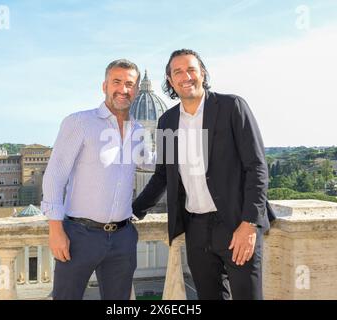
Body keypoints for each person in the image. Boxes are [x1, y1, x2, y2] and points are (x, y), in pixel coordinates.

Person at [133, 49, 275, 300]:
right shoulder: (167, 121)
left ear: (203, 73)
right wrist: (132, 210)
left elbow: (256, 167)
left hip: (236, 224)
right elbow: (162, 176)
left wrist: (249, 223)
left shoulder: (232, 106)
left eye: (191, 69)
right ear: (170, 80)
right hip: (196, 229)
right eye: (178, 72)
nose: (185, 76)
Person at [42, 59, 150, 300]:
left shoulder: (138, 130)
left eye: (130, 84)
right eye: (117, 82)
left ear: (136, 89)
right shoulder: (80, 122)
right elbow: (54, 175)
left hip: (123, 237)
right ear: (104, 86)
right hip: (79, 235)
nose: (123, 89)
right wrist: (55, 229)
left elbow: (150, 162)